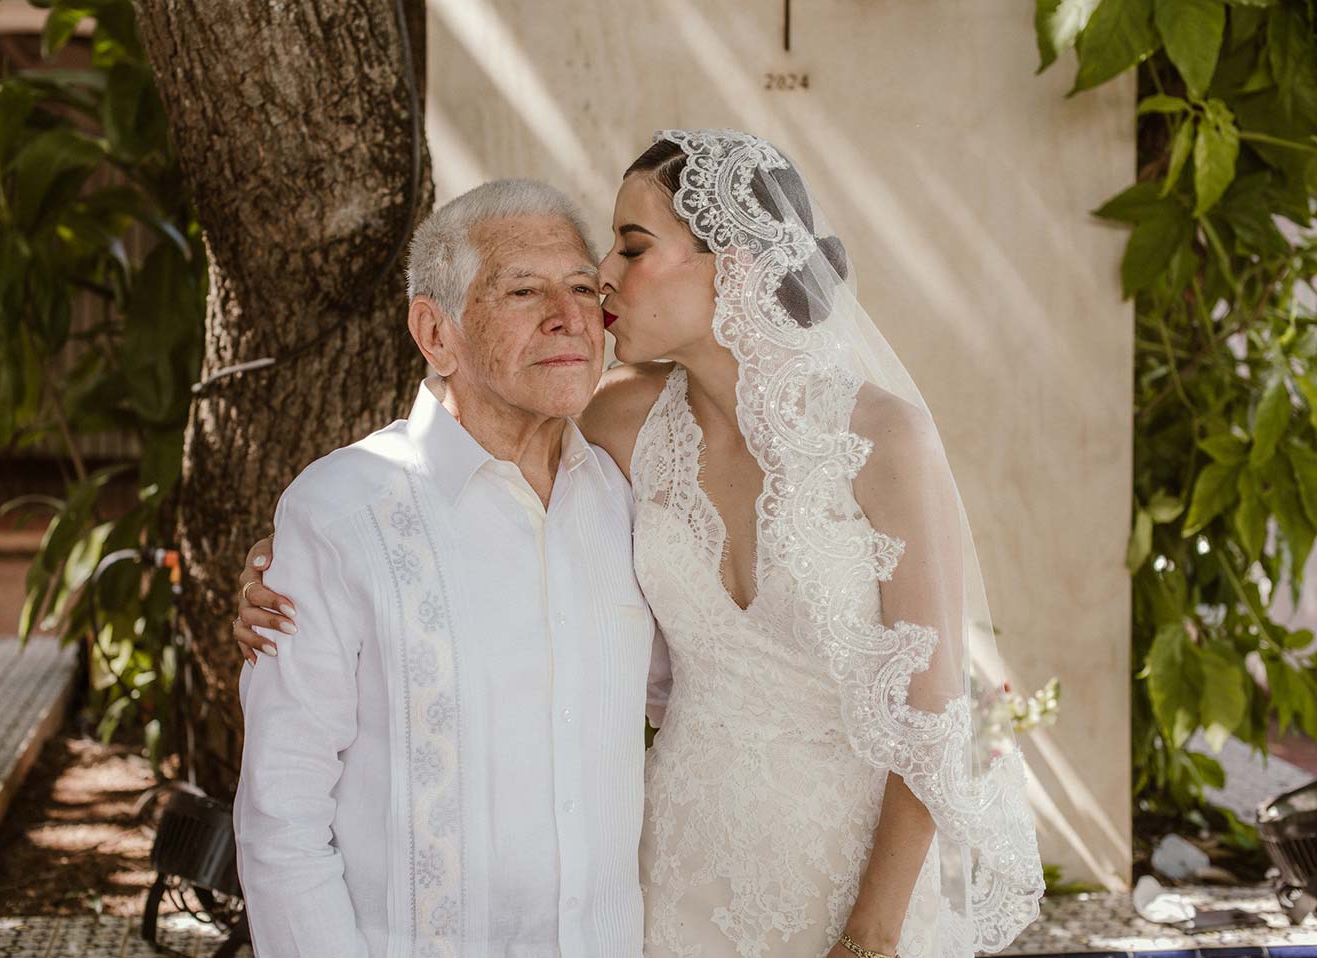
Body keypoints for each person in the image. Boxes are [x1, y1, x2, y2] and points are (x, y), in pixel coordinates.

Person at [237, 129, 1044, 958]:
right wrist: (307, 551)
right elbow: (470, 441)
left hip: (849, 875)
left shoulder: (880, 437)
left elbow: (937, 711)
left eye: (625, 252)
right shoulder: (621, 425)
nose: (600, 290)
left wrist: (870, 936)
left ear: (732, 262)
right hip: (674, 880)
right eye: (588, 268)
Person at [232, 178, 654, 958]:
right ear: (437, 332)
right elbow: (280, 815)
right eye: (524, 290)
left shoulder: (631, 503)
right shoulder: (337, 514)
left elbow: (698, 683)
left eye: (583, 289)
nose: (569, 318)